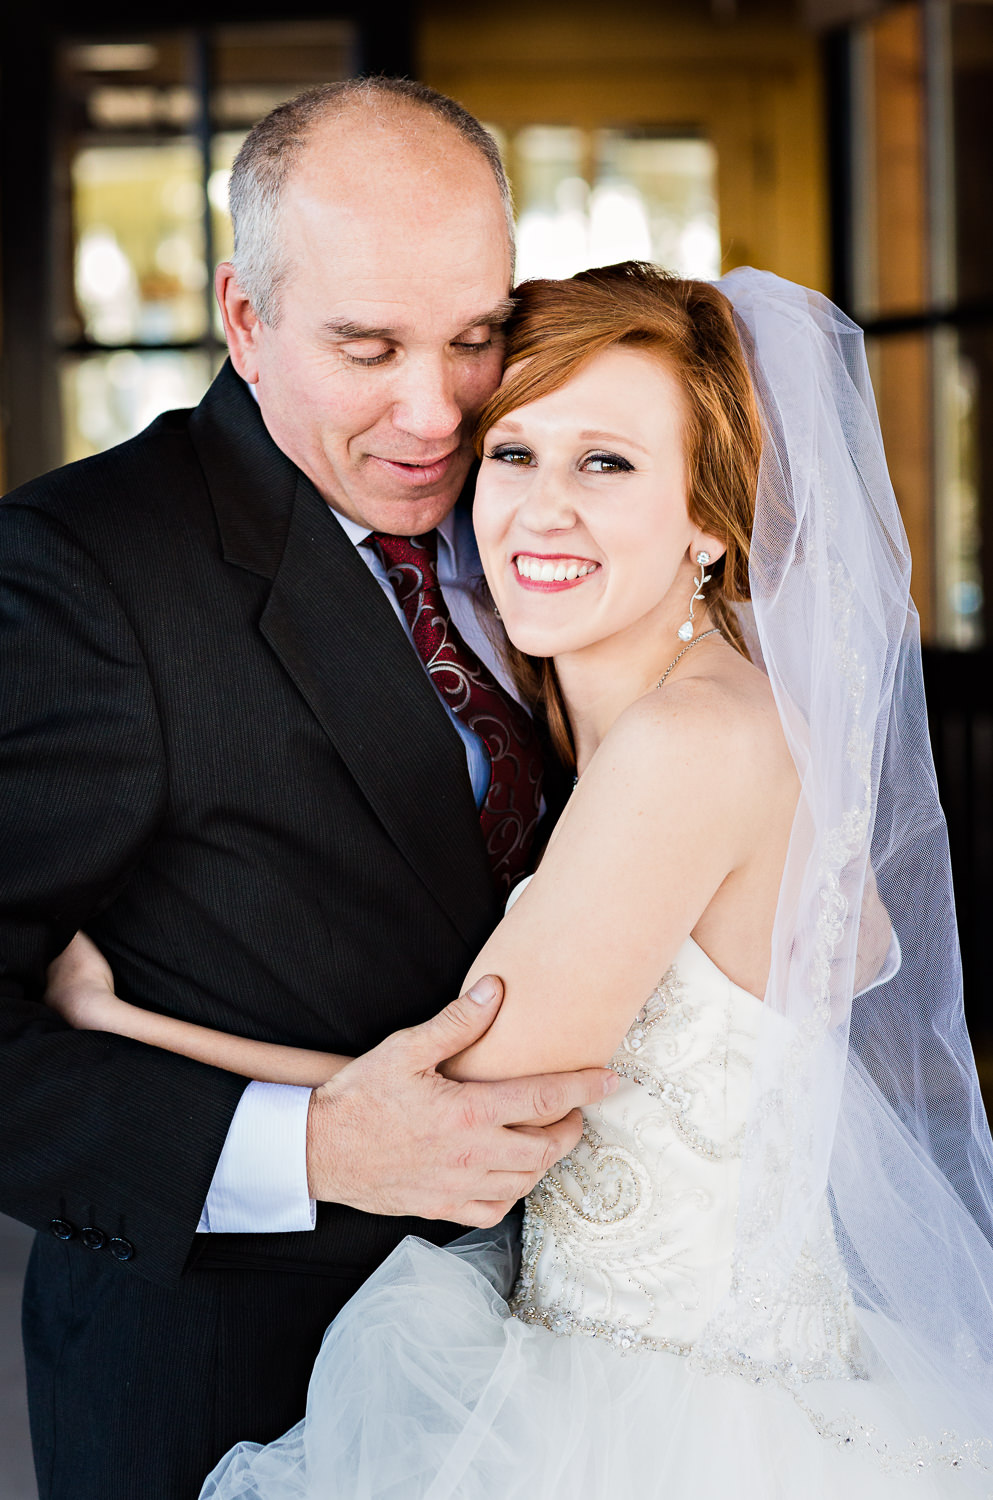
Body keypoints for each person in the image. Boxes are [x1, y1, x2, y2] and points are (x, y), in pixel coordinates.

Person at [49, 263, 993, 1496]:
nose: (543, 511)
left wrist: (119, 1019)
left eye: (607, 464)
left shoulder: (685, 747)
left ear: (709, 517)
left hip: (667, 1419)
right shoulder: (644, 714)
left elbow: (456, 1108)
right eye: (515, 455)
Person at [0, 79, 612, 1500]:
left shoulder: (552, 502)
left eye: (474, 337)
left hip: (572, 1379)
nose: (433, 412)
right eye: (367, 345)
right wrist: (316, 1143)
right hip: (230, 1392)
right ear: (245, 320)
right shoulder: (78, 569)